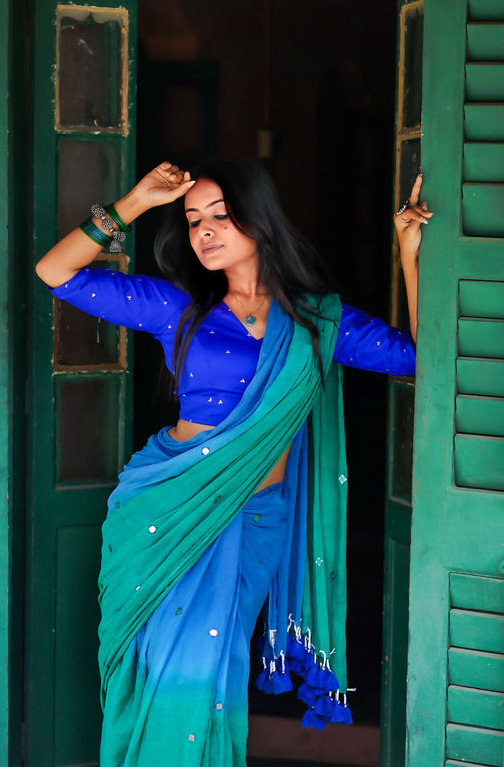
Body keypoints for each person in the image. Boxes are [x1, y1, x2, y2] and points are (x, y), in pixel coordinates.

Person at [36, 157, 430, 767]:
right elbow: (55, 272)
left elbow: (419, 359)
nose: (205, 231)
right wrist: (136, 202)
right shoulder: (179, 308)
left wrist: (408, 252)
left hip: (253, 518)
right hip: (166, 512)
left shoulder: (317, 323)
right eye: (194, 220)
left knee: (212, 668)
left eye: (221, 216)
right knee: (160, 664)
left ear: (261, 220)